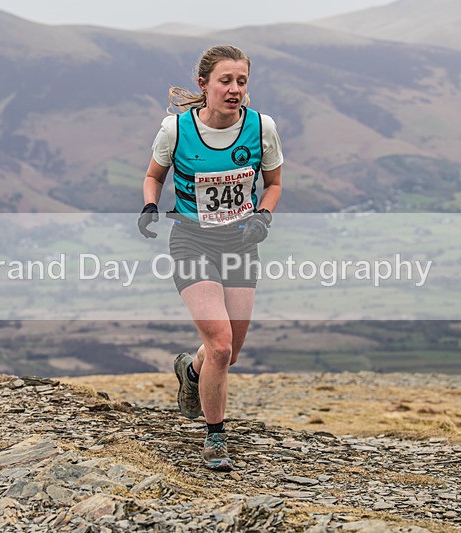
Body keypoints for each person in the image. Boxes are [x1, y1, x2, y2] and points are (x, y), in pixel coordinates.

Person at [138, 45, 283, 470]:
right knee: (219, 345)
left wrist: (263, 216)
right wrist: (150, 206)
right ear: (204, 85)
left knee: (228, 352)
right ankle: (216, 436)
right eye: (226, 80)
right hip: (191, 242)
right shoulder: (176, 130)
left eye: (241, 81)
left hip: (240, 244)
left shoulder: (261, 128)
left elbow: (273, 184)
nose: (235, 89)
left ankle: (190, 371)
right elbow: (154, 175)